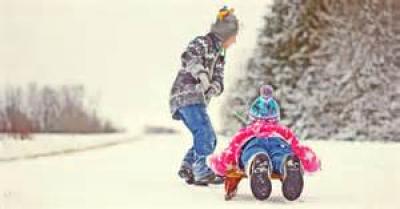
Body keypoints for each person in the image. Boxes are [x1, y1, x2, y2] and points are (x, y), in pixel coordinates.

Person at [210, 85, 321, 200]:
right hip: (279, 142)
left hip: (254, 141)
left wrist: (219, 164)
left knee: (253, 151)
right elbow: (298, 148)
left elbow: (232, 149)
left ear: (252, 117)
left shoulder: (248, 130)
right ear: (276, 117)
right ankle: (287, 164)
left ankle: (257, 162)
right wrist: (311, 162)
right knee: (281, 154)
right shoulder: (282, 130)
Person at [169, 6, 239, 186]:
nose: (235, 41)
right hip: (186, 94)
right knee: (206, 134)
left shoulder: (220, 55)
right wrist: (201, 74)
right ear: (225, 33)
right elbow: (188, 57)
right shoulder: (202, 43)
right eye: (234, 36)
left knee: (207, 137)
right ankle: (200, 171)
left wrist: (214, 86)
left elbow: (219, 78)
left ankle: (188, 166)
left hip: (196, 99)